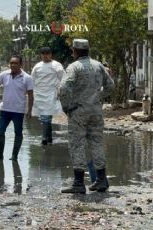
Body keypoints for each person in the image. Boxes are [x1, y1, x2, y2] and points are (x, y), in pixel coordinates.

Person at [59, 39, 114, 194]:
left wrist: (67, 107)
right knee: (97, 143)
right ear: (88, 50)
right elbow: (111, 86)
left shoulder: (74, 67)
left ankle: (78, 183)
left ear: (75, 51)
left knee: (77, 145)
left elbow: (63, 88)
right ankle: (101, 180)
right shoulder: (99, 66)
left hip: (78, 112)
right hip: (96, 111)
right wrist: (98, 97)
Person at [0, 55, 34, 161]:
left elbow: (31, 95)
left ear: (21, 64)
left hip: (18, 111)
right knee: (0, 131)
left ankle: (14, 156)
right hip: (5, 109)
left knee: (18, 133)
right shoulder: (4, 75)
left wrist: (29, 110)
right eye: (11, 63)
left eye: (16, 63)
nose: (13, 65)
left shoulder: (27, 78)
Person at [31, 47, 64, 145]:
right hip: (39, 94)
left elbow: (63, 79)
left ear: (51, 54)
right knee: (44, 116)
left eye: (47, 54)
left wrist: (59, 90)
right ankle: (49, 138)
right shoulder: (37, 66)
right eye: (43, 54)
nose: (45, 56)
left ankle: (44, 137)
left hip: (51, 94)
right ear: (40, 55)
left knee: (46, 116)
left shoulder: (57, 65)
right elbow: (32, 80)